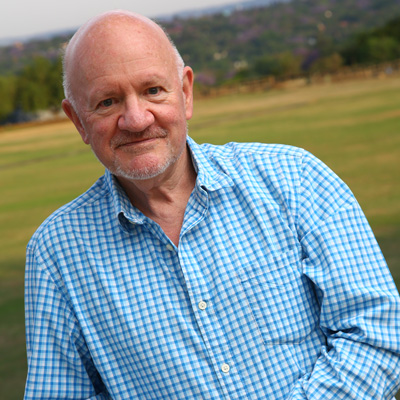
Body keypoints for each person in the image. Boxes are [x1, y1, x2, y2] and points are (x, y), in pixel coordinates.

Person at [24, 10, 400, 400]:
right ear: (78, 121)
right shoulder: (57, 252)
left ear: (186, 93)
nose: (136, 119)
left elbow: (378, 332)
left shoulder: (295, 179)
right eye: (107, 101)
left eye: (153, 90)